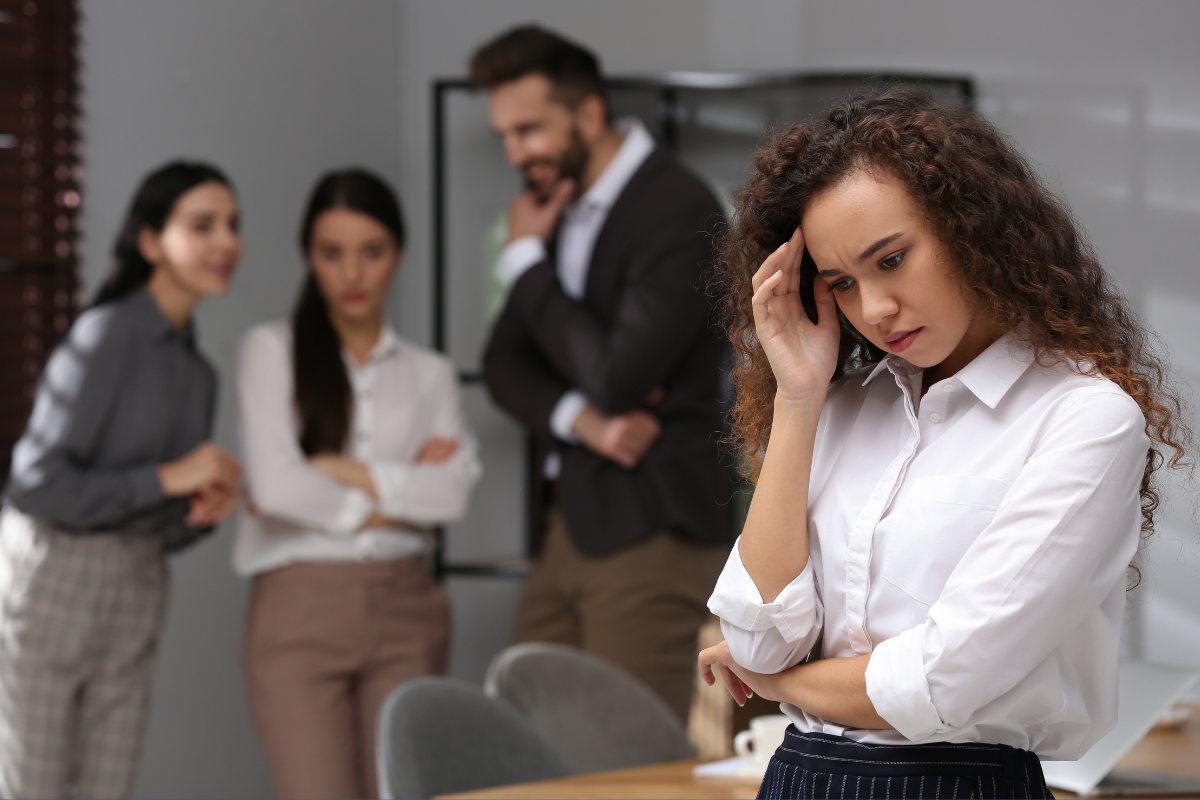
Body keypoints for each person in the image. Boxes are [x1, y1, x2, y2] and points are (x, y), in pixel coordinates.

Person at [697, 87, 1193, 799]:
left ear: (973, 229)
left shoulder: (1085, 419)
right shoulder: (835, 409)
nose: (874, 309)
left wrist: (772, 681)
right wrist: (799, 400)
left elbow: (940, 678)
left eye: (891, 261)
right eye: (842, 283)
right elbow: (756, 637)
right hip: (797, 777)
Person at [471, 25, 736, 722]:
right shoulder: (554, 210)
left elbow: (617, 375)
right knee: (523, 739)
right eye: (503, 135)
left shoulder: (680, 209)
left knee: (623, 758)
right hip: (570, 526)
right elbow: (502, 364)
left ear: (589, 113)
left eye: (528, 129)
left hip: (653, 523)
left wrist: (526, 264)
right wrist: (581, 418)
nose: (515, 152)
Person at [0, 161, 243, 799]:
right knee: (34, 790)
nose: (226, 243)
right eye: (203, 225)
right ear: (150, 241)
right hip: (57, 579)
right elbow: (35, 486)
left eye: (233, 226)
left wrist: (199, 512)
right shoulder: (105, 335)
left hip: (138, 586)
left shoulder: (200, 376)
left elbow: (160, 525)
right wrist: (168, 477)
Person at [236, 169, 480, 800]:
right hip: (298, 612)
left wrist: (338, 472)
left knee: (405, 790)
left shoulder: (431, 374)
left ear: (397, 255)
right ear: (308, 256)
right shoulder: (269, 352)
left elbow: (453, 494)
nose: (351, 274)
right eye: (331, 253)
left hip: (408, 609)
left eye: (371, 253)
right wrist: (402, 496)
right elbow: (275, 487)